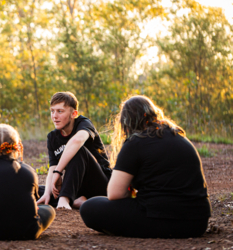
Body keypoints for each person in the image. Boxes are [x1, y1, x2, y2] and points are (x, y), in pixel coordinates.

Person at [80, 95, 211, 238]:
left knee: (89, 207)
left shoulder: (135, 142)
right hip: (197, 223)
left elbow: (114, 194)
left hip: (163, 220)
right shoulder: (179, 136)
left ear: (126, 122)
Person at [37, 92, 112, 209]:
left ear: (74, 114)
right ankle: (78, 200)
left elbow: (77, 141)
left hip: (101, 184)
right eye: (52, 111)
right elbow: (53, 166)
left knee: (78, 150)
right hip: (76, 185)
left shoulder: (84, 123)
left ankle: (64, 201)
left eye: (60, 111)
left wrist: (58, 172)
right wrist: (47, 192)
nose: (54, 116)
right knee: (34, 189)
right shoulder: (52, 137)